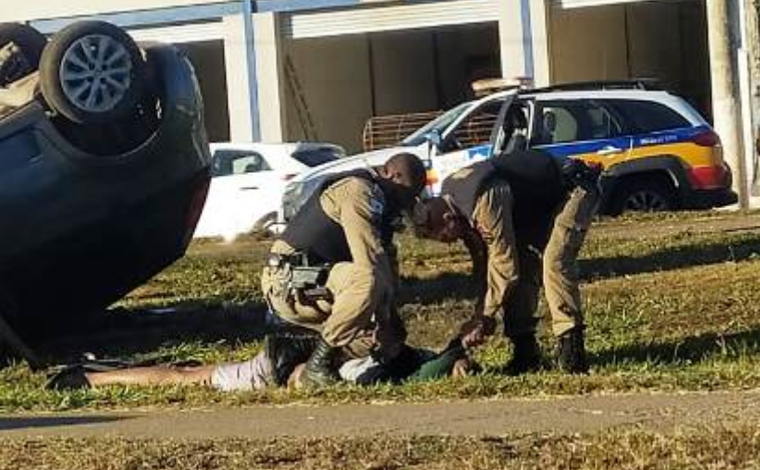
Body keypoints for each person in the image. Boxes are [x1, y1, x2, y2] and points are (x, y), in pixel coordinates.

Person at [413, 149, 601, 374]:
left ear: (448, 219)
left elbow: (503, 263)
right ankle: (526, 352)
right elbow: (486, 266)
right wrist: (481, 314)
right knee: (522, 264)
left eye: (445, 237)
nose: (451, 243)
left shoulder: (480, 198)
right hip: (535, 206)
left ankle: (573, 352)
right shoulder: (455, 202)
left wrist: (485, 316)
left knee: (554, 262)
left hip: (572, 190)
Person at [263, 152, 428, 387]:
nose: (405, 204)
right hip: (289, 281)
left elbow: (387, 272)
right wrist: (384, 320)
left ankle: (294, 351)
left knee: (374, 327)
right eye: (406, 194)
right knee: (367, 282)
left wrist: (392, 333)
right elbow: (369, 260)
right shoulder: (357, 191)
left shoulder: (382, 209)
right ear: (392, 175)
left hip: (320, 281)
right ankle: (317, 367)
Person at [45, 329, 478, 391]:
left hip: (285, 357)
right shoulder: (395, 373)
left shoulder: (406, 360)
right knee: (185, 378)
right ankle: (91, 380)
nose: (464, 373)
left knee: (189, 373)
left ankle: (96, 373)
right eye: (464, 368)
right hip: (277, 367)